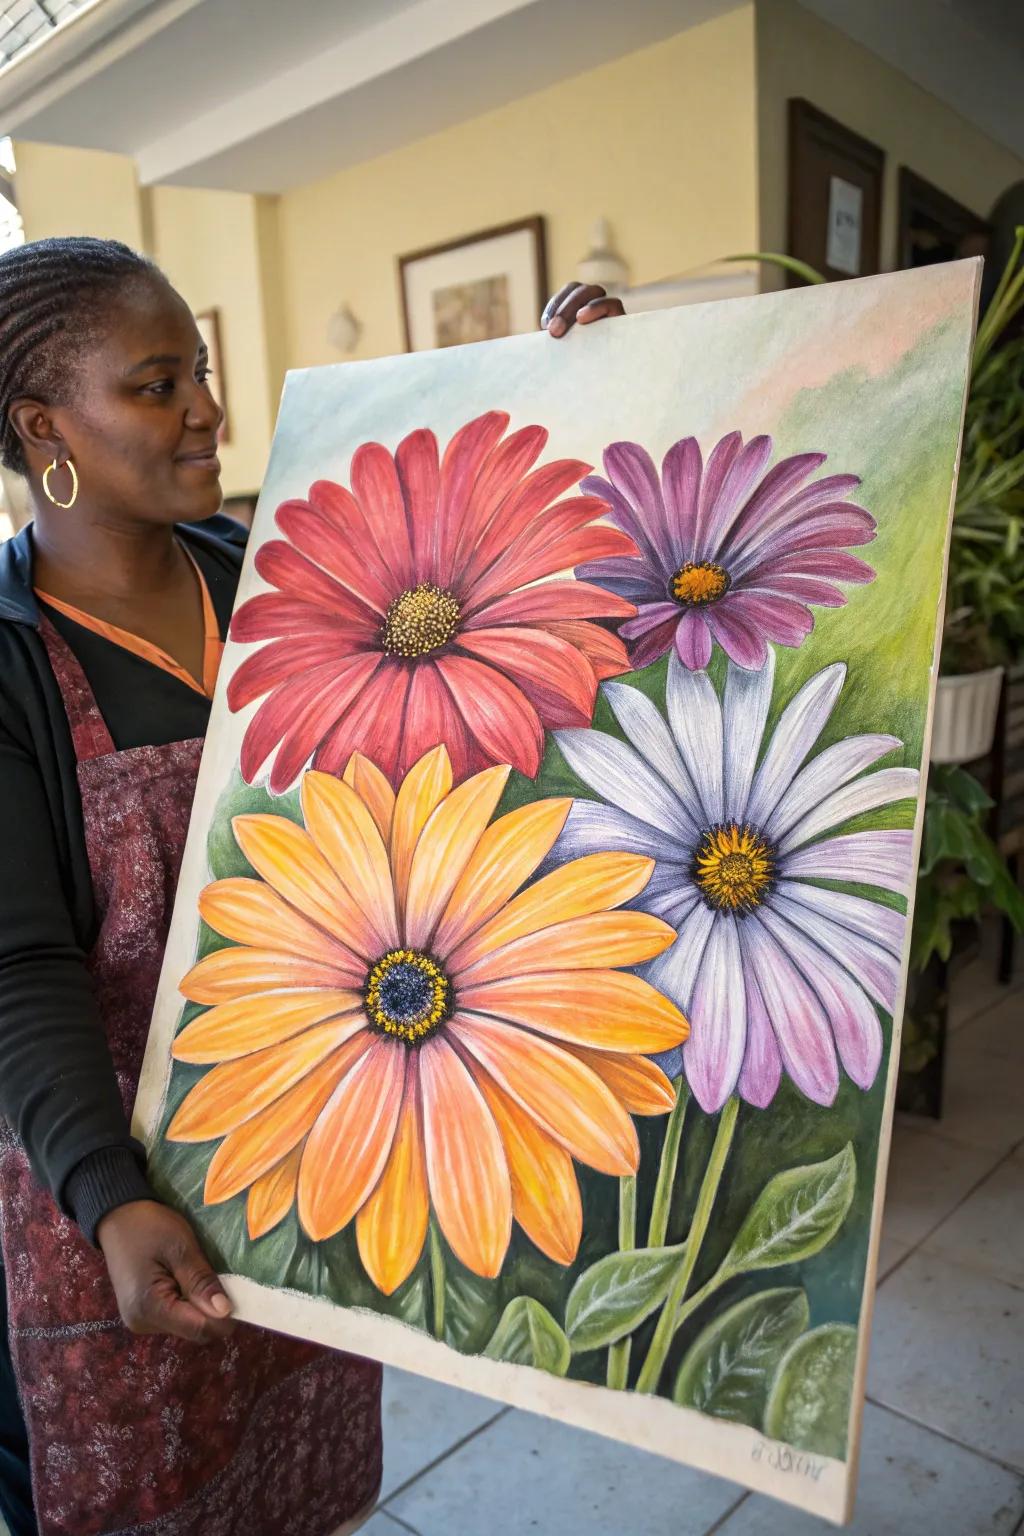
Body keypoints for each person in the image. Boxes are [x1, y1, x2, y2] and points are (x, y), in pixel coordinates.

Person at [0, 236, 622, 1536]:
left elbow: (476, 594)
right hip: (110, 1198)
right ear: (43, 425)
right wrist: (111, 1195)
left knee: (306, 1474)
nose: (208, 411)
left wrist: (589, 388)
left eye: (202, 375)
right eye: (159, 385)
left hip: (316, 1154)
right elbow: (21, 966)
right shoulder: (10, 666)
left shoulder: (269, 573)